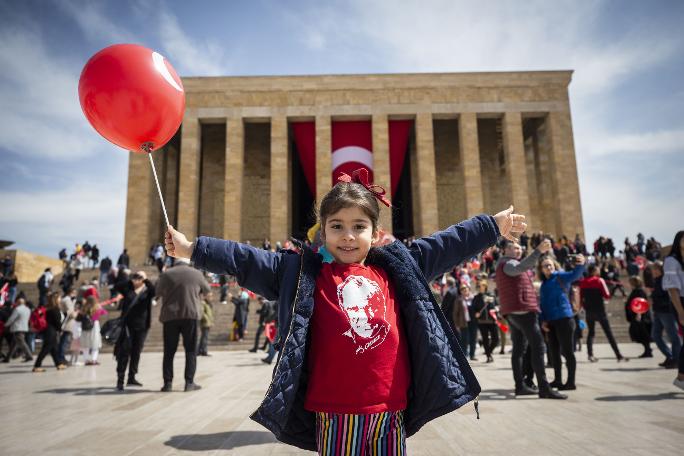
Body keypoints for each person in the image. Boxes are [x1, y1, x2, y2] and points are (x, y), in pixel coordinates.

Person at [164, 167, 526, 453]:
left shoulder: (397, 267)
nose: (348, 236)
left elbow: (446, 245)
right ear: (323, 230)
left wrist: (490, 226)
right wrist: (191, 249)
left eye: (359, 227)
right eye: (337, 227)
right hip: (335, 412)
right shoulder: (302, 272)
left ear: (375, 232)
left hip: (391, 409)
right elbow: (244, 259)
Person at [495, 239, 567, 399]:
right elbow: (521, 268)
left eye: (520, 248)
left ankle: (520, 386)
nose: (519, 251)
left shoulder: (507, 264)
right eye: (515, 248)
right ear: (505, 250)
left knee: (519, 349)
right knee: (539, 347)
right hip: (522, 310)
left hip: (515, 311)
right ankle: (544, 388)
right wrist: (538, 251)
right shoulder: (507, 264)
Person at [155, 257, 211, 392]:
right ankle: (189, 383)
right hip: (190, 315)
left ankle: (168, 383)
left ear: (175, 262)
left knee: (169, 351)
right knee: (191, 350)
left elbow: (157, 292)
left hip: (170, 316)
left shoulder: (167, 273)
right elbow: (207, 290)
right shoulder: (197, 273)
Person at [537, 254, 586, 391]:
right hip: (551, 321)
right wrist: (543, 321)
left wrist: (581, 264)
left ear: (554, 266)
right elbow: (543, 304)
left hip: (564, 319)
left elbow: (575, 274)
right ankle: (557, 380)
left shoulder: (561, 277)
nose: (548, 267)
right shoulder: (544, 284)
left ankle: (571, 382)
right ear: (541, 269)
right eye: (545, 266)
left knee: (567, 351)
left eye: (550, 265)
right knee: (554, 352)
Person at [114, 271, 155, 391]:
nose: (138, 279)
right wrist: (130, 278)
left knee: (136, 352)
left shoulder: (147, 291)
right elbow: (117, 286)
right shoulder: (128, 289)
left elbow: (155, 291)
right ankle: (120, 379)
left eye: (140, 277)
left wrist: (146, 279)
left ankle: (132, 377)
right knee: (124, 352)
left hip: (142, 327)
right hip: (127, 326)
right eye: (136, 277)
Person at [578, 265, 627, 363]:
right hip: (600, 310)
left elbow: (580, 297)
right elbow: (607, 296)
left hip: (589, 311)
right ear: (595, 270)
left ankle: (590, 355)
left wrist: (582, 307)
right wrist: (613, 289)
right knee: (609, 333)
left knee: (591, 333)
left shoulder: (583, 282)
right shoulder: (600, 280)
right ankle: (618, 355)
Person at [662, 230, 684, 390]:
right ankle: (681, 378)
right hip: (680, 302)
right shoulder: (671, 260)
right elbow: (672, 288)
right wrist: (681, 312)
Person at [650, 261, 680, 369]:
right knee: (655, 335)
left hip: (666, 312)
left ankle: (677, 360)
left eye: (654, 269)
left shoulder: (665, 279)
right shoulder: (657, 281)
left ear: (659, 270)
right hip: (658, 312)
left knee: (674, 337)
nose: (652, 271)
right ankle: (670, 356)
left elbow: (670, 296)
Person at [32, 293, 67, 372]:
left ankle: (58, 364)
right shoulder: (54, 309)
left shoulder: (48, 308)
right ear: (55, 299)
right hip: (51, 331)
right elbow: (57, 322)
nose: (60, 299)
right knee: (46, 349)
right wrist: (60, 329)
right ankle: (37, 366)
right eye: (59, 298)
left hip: (48, 330)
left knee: (54, 348)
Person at [472, 276, 499, 363]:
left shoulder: (491, 295)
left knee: (496, 339)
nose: (480, 287)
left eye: (482, 285)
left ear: (485, 286)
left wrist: (496, 309)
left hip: (492, 320)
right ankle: (488, 356)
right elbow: (473, 309)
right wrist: (476, 313)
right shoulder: (476, 297)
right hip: (482, 321)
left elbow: (497, 305)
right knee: (485, 339)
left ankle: (489, 351)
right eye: (479, 286)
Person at [625, 276, 652, 358]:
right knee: (639, 333)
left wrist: (638, 314)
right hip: (637, 316)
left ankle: (648, 350)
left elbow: (641, 303)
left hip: (640, 317)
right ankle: (647, 350)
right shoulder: (636, 291)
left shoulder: (639, 292)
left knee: (641, 333)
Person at [78, 296, 107, 365]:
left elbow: (79, 317)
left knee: (85, 345)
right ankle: (94, 360)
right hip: (95, 325)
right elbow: (105, 313)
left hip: (85, 326)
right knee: (95, 344)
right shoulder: (97, 307)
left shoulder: (83, 308)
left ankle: (86, 360)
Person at [3, 297, 33, 362]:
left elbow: (11, 319)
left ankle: (29, 355)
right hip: (24, 327)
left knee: (22, 343)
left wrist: (6, 325)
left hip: (17, 328)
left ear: (18, 302)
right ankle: (7, 358)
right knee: (13, 344)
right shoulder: (27, 309)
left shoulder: (17, 309)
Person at [57, 288, 77, 363]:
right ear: (71, 292)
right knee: (65, 342)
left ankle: (60, 357)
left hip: (66, 324)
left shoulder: (65, 299)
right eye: (74, 292)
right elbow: (71, 313)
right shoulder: (67, 300)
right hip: (68, 324)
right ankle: (61, 358)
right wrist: (76, 314)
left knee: (63, 341)